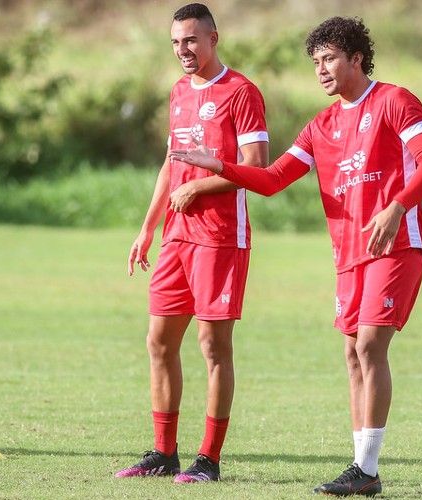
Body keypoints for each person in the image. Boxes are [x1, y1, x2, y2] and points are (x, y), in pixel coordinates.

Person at [170, 16, 422, 496]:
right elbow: (274, 179)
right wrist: (222, 166)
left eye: (330, 59)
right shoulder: (322, 125)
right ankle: (364, 470)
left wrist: (397, 207)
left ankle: (365, 468)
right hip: (349, 254)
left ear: (356, 58)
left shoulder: (394, 101)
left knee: (368, 347)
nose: (321, 69)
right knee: (351, 352)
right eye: (316, 61)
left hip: (396, 245)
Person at [116, 3, 269, 484]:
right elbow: (170, 164)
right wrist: (147, 227)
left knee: (212, 344)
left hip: (221, 237)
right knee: (158, 342)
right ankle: (163, 453)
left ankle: (210, 458)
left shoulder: (241, 92)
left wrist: (200, 187)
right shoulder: (179, 92)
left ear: (213, 38)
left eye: (191, 41)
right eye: (176, 42)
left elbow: (257, 167)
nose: (183, 50)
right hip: (176, 238)